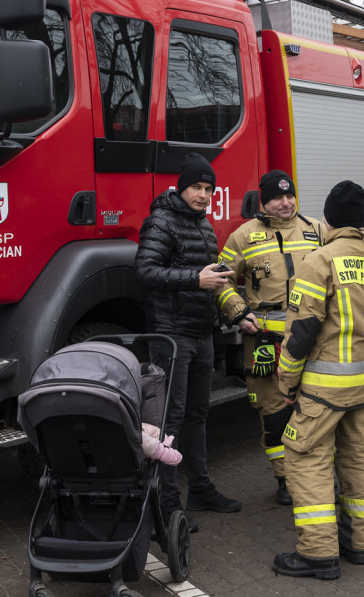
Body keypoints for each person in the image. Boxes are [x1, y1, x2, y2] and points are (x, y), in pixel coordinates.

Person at [271, 181, 364, 580]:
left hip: (325, 388)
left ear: (328, 221)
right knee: (359, 461)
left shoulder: (318, 261)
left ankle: (319, 555)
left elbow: (302, 331)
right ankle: (358, 544)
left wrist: (287, 382)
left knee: (306, 459)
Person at [134, 153, 242, 533]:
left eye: (209, 188)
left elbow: (205, 275)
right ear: (181, 187)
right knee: (169, 420)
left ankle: (200, 489)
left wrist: (219, 298)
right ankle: (166, 504)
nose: (204, 194)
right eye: (197, 186)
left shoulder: (203, 225)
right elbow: (145, 272)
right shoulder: (161, 220)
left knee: (198, 415)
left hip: (200, 334)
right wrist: (196, 280)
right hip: (172, 334)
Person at [216, 170, 324, 506]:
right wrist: (237, 312)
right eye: (277, 197)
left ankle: (317, 475)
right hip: (265, 341)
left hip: (313, 337)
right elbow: (220, 280)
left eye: (289, 195)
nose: (285, 202)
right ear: (264, 200)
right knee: (273, 412)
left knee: (316, 408)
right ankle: (284, 479)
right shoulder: (243, 237)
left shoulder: (317, 229)